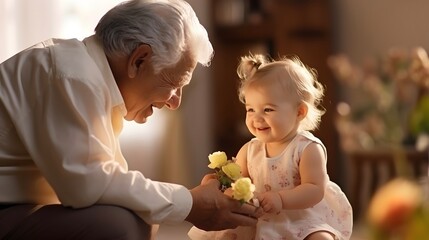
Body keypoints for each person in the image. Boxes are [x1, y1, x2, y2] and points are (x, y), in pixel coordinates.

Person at [0, 1, 263, 239]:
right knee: (117, 224)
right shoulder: (72, 77)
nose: (175, 103)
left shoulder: (87, 74)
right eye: (174, 84)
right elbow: (88, 187)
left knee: (137, 216)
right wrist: (191, 203)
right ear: (139, 60)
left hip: (17, 205)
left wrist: (189, 202)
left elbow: (112, 184)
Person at [189, 54, 353, 240]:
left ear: (299, 111)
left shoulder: (307, 148)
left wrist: (281, 199)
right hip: (260, 217)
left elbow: (314, 189)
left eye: (267, 109)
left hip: (300, 217)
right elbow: (239, 182)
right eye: (250, 109)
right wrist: (223, 186)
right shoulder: (249, 150)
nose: (256, 118)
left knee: (320, 238)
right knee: (226, 235)